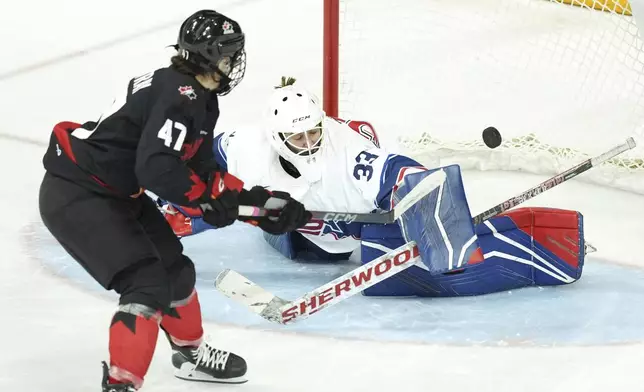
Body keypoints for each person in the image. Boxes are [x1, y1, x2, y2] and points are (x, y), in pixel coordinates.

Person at [38, 12, 310, 392]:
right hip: (79, 194)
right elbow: (156, 169)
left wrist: (260, 206)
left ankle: (189, 354)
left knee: (174, 271)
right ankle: (121, 386)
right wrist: (202, 202)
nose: (235, 62)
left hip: (116, 192)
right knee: (146, 282)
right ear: (211, 56)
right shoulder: (179, 96)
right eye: (230, 54)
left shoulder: (197, 96)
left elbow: (201, 168)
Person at [162, 76, 585, 301]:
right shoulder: (249, 146)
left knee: (414, 271)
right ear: (276, 137)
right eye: (299, 138)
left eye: (314, 133)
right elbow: (204, 160)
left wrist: (420, 196)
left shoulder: (346, 153)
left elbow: (398, 171)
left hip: (358, 222)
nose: (310, 143)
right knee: (208, 209)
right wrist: (173, 204)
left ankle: (540, 245)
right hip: (295, 230)